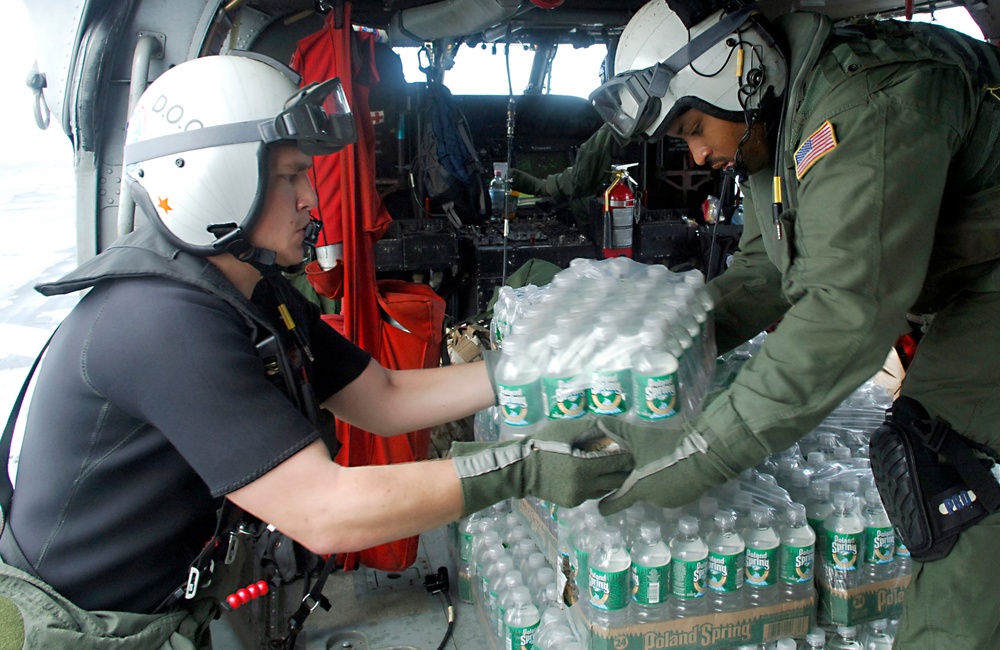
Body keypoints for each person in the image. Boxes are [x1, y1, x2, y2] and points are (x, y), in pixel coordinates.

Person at [0, 54, 633, 649]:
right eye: (290, 177)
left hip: (161, 606)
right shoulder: (161, 323)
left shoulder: (250, 294)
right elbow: (325, 511)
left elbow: (381, 398)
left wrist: (536, 369)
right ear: (213, 182)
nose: (313, 199)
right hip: (80, 627)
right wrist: (521, 469)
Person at [589, 0, 1000, 649]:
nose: (696, 156)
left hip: (990, 287)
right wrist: (655, 352)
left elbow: (846, 316)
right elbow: (764, 274)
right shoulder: (776, 135)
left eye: (693, 129)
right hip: (969, 282)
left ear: (742, 74)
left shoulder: (869, 104)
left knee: (951, 473)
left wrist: (699, 453)